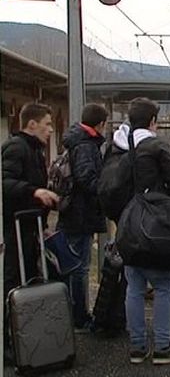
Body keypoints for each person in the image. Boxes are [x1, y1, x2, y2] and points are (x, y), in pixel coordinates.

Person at [110, 97, 170, 365]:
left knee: (134, 285)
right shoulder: (156, 146)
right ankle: (163, 346)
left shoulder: (117, 145)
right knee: (165, 284)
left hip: (127, 223)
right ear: (153, 121)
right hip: (154, 223)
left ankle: (136, 347)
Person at [2, 102, 59, 361]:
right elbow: (4, 182)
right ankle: (7, 341)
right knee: (13, 282)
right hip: (15, 227)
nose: (50, 130)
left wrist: (44, 225)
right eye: (47, 124)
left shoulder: (34, 150)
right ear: (32, 124)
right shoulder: (16, 147)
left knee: (31, 280)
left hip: (31, 226)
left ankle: (28, 337)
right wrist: (34, 191)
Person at [57, 103, 108, 333]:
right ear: (100, 124)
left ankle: (72, 314)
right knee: (80, 268)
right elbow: (87, 179)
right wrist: (106, 188)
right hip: (80, 214)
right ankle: (79, 317)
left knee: (73, 266)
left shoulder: (76, 141)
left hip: (73, 213)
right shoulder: (86, 146)